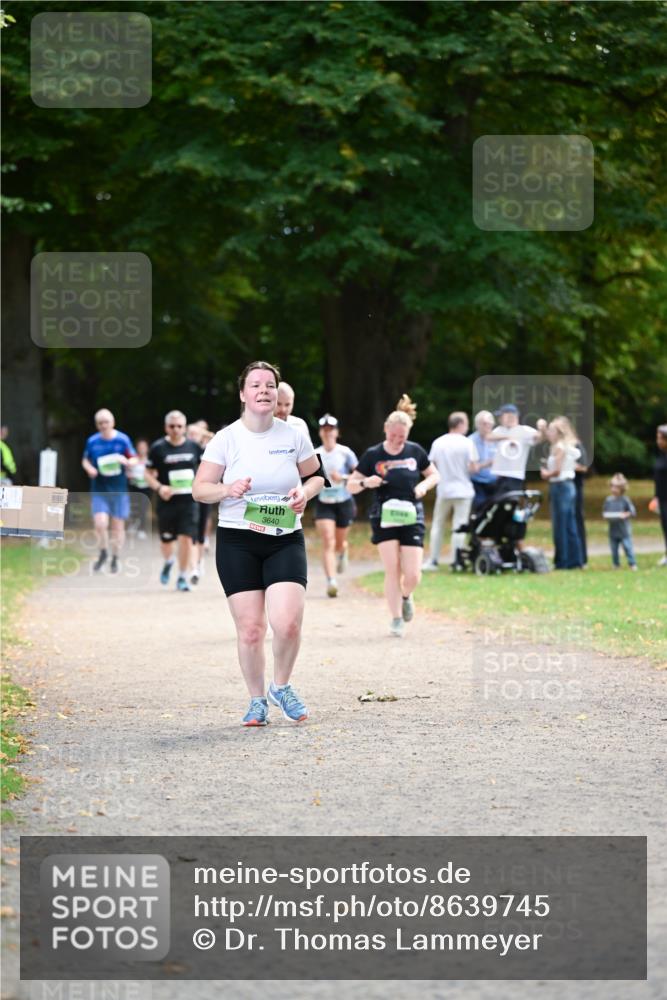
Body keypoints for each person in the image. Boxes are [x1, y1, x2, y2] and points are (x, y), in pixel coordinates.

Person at [192, 361, 325, 726]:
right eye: (255, 385)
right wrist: (226, 489)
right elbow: (199, 489)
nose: (263, 390)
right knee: (251, 629)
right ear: (243, 393)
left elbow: (317, 477)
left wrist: (305, 492)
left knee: (288, 624)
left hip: (284, 538)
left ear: (277, 392)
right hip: (238, 540)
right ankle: (256, 700)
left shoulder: (294, 434)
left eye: (269, 385)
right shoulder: (226, 438)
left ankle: (280, 686)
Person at [348, 395, 439, 637]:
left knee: (412, 574)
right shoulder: (373, 454)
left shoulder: (415, 451)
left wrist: (423, 487)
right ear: (386, 429)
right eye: (393, 435)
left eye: (402, 437)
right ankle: (396, 618)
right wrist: (366, 482)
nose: (397, 441)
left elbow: (434, 475)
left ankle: (407, 595)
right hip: (384, 515)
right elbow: (351, 485)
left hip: (411, 514)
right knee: (392, 569)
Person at [144, 411, 203, 592]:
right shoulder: (157, 448)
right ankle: (169, 561)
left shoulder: (194, 447)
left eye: (179, 426)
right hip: (167, 502)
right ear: (166, 427)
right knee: (166, 541)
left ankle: (182, 576)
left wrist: (200, 484)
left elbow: (204, 469)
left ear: (185, 428)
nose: (176, 430)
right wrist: (160, 488)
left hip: (189, 502)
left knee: (186, 538)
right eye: (172, 426)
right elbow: (147, 474)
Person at [81, 409, 137, 573]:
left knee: (117, 527)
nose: (104, 425)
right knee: (100, 523)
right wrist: (89, 469)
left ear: (112, 422)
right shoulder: (92, 441)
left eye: (106, 422)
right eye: (100, 423)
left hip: (119, 490)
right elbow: (85, 460)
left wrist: (126, 461)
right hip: (99, 489)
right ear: (97, 425)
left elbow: (134, 459)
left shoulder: (123, 439)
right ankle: (103, 551)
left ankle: (115, 556)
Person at [423, 412, 478, 571]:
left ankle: (433, 560)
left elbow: (431, 466)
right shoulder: (467, 443)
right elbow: (473, 468)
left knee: (438, 525)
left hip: (444, 489)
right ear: (460, 424)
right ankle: (457, 561)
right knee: (459, 526)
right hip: (463, 490)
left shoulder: (438, 443)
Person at [313, 414, 358, 597]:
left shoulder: (345, 452)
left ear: (337, 432)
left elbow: (359, 475)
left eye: (331, 430)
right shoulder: (315, 454)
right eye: (324, 430)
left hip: (344, 502)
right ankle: (331, 581)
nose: (328, 433)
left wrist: (344, 478)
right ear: (320, 433)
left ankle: (343, 549)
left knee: (338, 543)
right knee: (328, 541)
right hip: (324, 503)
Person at [540, 416, 583, 570]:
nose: (549, 433)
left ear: (558, 432)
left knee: (560, 525)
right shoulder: (568, 447)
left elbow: (557, 471)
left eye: (551, 430)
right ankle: (575, 560)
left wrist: (546, 473)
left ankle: (562, 561)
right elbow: (576, 459)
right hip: (569, 486)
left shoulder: (559, 447)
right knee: (570, 524)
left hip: (560, 487)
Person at [489, 404, 547, 495]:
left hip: (515, 477)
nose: (499, 418)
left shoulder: (524, 430)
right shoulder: (498, 430)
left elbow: (539, 438)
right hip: (498, 476)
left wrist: (542, 429)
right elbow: (488, 437)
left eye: (501, 415)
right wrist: (508, 437)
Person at [603, 473, 638, 571]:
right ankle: (616, 564)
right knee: (614, 549)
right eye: (612, 487)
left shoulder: (625, 500)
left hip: (624, 531)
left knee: (627, 547)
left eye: (617, 487)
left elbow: (633, 512)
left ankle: (632, 563)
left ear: (622, 489)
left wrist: (625, 515)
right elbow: (605, 512)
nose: (614, 489)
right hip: (613, 531)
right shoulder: (608, 500)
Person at [468, 410, 497, 509]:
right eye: (484, 423)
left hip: (495, 481)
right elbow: (470, 467)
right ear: (477, 425)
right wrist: (486, 464)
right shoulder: (470, 441)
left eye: (489, 423)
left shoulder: (498, 439)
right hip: (477, 482)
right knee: (479, 510)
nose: (487, 426)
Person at [127, 438, 151, 539]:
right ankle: (133, 523)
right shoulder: (132, 460)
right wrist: (130, 475)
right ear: (137, 448)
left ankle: (142, 529)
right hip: (134, 486)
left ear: (147, 448)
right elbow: (127, 472)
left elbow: (155, 473)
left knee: (143, 508)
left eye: (144, 447)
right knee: (134, 507)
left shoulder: (150, 461)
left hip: (146, 488)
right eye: (140, 447)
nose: (142, 449)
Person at [652, 423, 667, 567]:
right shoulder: (661, 455)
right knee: (665, 526)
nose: (658, 441)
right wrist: (656, 497)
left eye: (660, 438)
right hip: (662, 498)